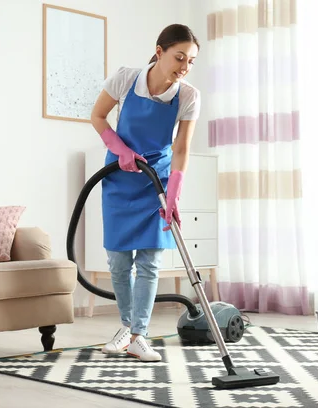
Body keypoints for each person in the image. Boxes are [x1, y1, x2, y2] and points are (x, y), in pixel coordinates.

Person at [90, 24, 201, 362]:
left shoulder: (188, 96)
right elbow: (98, 116)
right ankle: (125, 328)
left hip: (157, 180)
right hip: (120, 177)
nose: (184, 67)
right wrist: (119, 149)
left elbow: (182, 148)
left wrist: (174, 193)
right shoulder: (126, 79)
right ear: (159, 51)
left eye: (190, 61)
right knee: (119, 261)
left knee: (150, 262)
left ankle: (139, 335)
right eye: (179, 57)